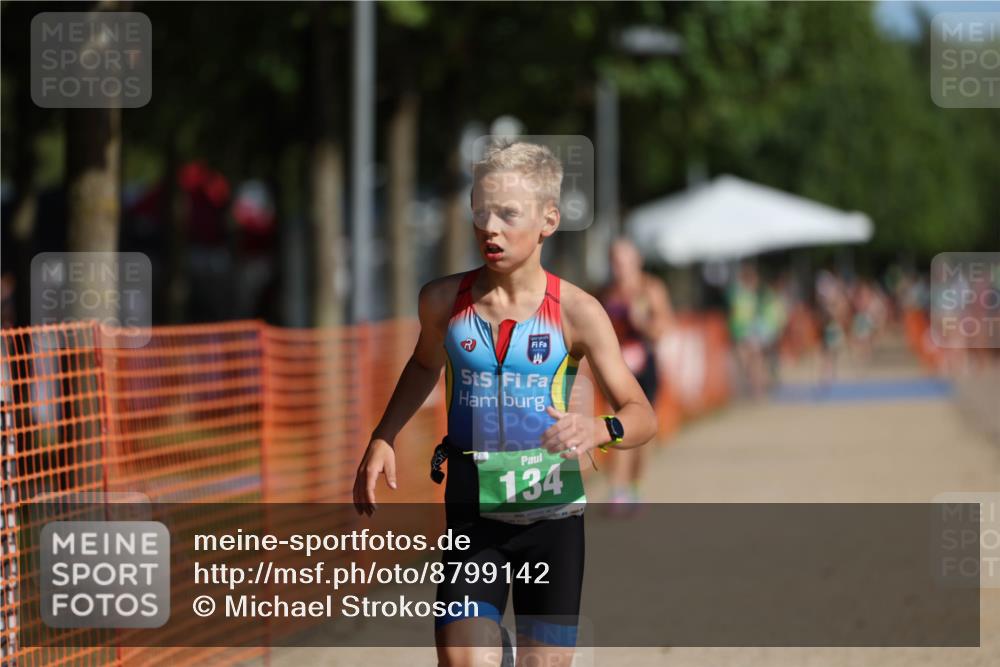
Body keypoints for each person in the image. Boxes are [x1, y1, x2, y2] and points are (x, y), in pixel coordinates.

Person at [353, 141, 658, 667]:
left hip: (553, 521)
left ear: (548, 220)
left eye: (507, 214)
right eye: (480, 211)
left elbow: (641, 412)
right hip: (473, 516)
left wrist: (597, 429)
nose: (489, 227)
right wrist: (385, 436)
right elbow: (425, 364)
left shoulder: (578, 312)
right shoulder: (443, 302)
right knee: (464, 662)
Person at [599, 238, 672, 514]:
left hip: (645, 367)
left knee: (642, 430)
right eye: (615, 261)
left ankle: (636, 485)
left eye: (624, 261)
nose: (620, 268)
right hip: (614, 369)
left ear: (636, 261)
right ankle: (617, 488)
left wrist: (642, 322)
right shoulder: (605, 292)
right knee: (612, 425)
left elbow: (665, 327)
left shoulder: (650, 288)